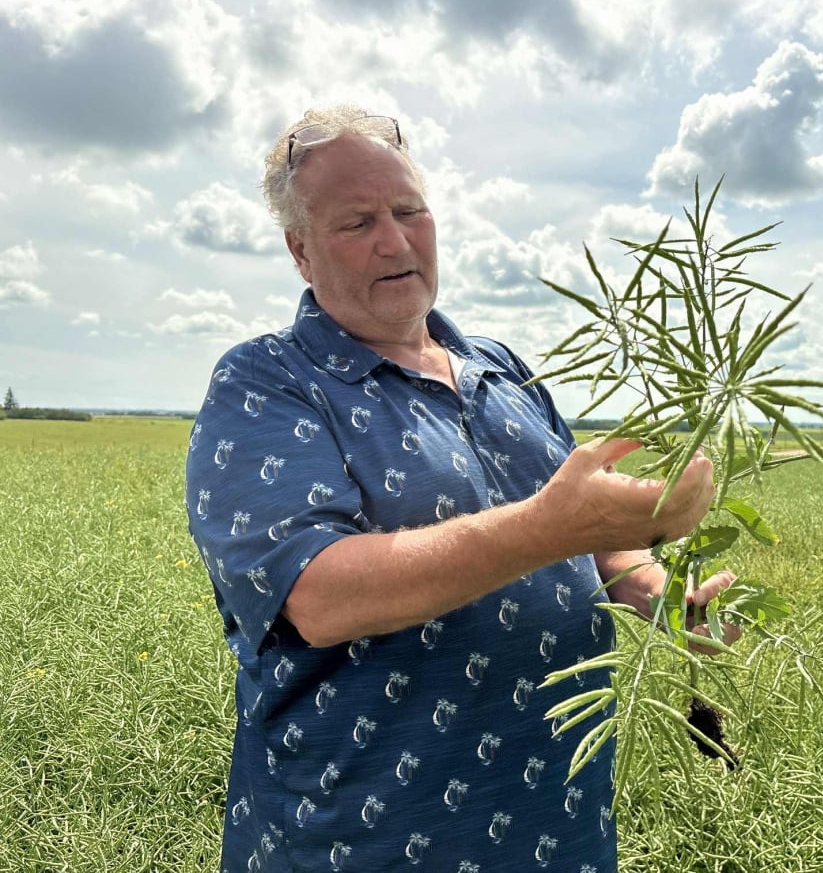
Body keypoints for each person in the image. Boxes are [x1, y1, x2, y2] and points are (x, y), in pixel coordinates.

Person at [186, 104, 736, 872]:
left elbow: (593, 543)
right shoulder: (267, 382)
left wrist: (661, 594)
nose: (395, 238)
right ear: (300, 250)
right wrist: (549, 526)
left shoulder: (504, 368)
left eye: (409, 209)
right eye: (356, 222)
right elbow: (315, 594)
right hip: (364, 838)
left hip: (559, 819)